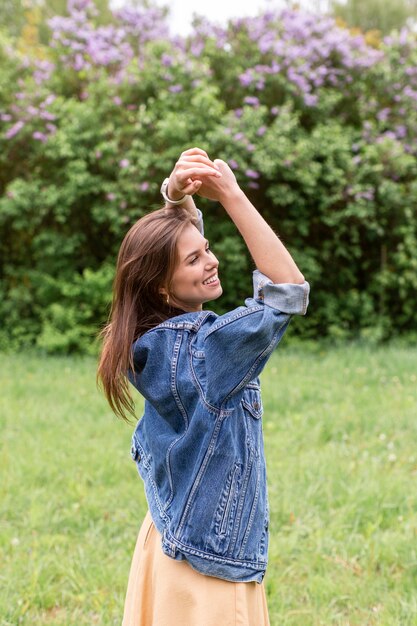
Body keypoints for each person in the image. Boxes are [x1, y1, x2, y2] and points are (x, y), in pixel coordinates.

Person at [96, 147, 310, 625]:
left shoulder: (151, 338)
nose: (210, 261)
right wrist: (231, 195)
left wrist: (177, 198)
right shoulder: (206, 353)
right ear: (164, 289)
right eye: (195, 259)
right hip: (210, 561)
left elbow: (167, 247)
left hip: (168, 535)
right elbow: (288, 291)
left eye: (206, 249)